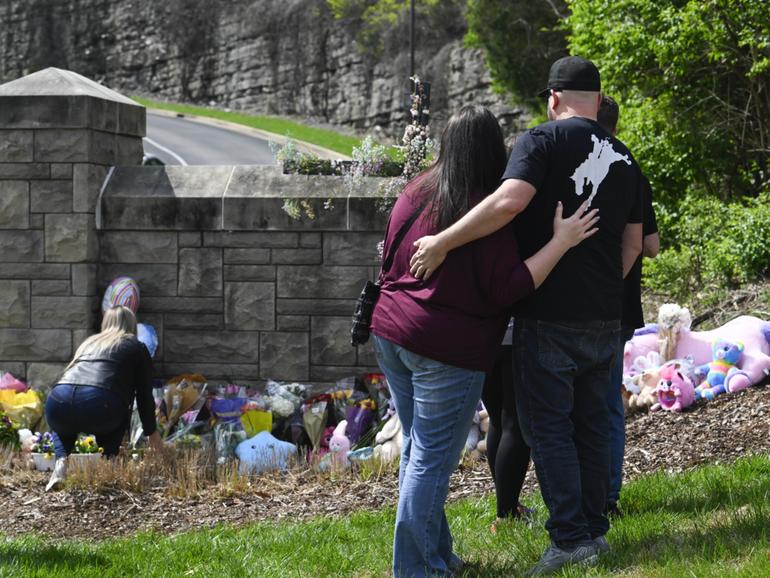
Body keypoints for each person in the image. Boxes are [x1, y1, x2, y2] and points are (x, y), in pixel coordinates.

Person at [408, 56, 644, 575]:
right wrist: (604, 288)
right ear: (599, 101)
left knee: (550, 429)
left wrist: (444, 242)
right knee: (591, 425)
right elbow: (634, 242)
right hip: (605, 317)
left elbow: (510, 201)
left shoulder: (540, 141)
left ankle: (568, 541)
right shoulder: (625, 158)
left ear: (554, 98)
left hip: (548, 316)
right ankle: (593, 532)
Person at [370, 104, 599, 578]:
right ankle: (417, 570)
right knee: (430, 461)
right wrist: (562, 240)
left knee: (418, 450)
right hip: (445, 348)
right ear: (495, 152)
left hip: (390, 331)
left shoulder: (415, 191)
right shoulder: (483, 209)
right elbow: (509, 287)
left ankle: (437, 556)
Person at [597, 95, 659, 517]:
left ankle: (581, 500)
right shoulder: (631, 168)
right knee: (606, 401)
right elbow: (649, 246)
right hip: (617, 304)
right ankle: (609, 498)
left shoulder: (571, 164)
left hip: (574, 301)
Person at [44, 305, 163, 491]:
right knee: (122, 400)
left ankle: (61, 464)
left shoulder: (89, 343)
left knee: (63, 422)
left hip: (57, 401)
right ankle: (110, 462)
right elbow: (144, 396)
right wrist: (152, 434)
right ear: (133, 324)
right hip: (99, 404)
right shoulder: (136, 347)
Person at [481, 329, 533, 531]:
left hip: (482, 333)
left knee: (497, 420)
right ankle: (507, 513)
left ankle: (509, 504)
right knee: (513, 423)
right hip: (514, 335)